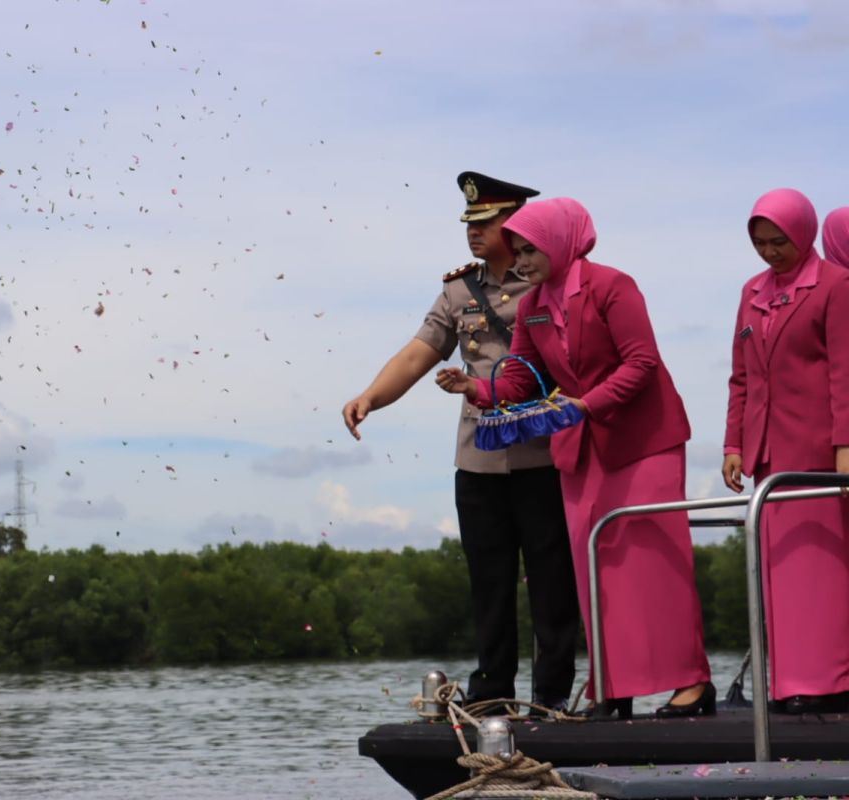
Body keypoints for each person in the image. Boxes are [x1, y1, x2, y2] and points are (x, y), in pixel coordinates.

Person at [436, 197, 713, 719]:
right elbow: (521, 375)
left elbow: (642, 362)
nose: (521, 260)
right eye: (516, 251)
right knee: (595, 570)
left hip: (643, 442)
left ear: (560, 241)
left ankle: (692, 684)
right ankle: (614, 688)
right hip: (582, 446)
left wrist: (586, 404)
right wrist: (475, 386)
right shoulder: (535, 303)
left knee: (653, 564)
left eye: (530, 249)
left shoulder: (612, 286)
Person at [342, 172, 579, 712]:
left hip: (545, 453)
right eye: (470, 224)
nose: (475, 233)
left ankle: (553, 694)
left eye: (487, 222)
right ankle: (492, 691)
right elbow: (417, 353)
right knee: (489, 577)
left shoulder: (547, 282)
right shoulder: (458, 290)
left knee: (551, 579)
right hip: (481, 457)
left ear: (516, 222)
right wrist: (370, 398)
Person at [723, 188, 849, 714]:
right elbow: (741, 377)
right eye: (760, 243)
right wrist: (733, 443)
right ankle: (790, 682)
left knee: (819, 571)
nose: (771, 253)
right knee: (778, 573)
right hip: (768, 455)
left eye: (779, 241)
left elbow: (845, 373)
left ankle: (830, 682)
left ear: (804, 234)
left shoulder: (837, 285)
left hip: (818, 450)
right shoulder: (752, 290)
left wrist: (845, 446)